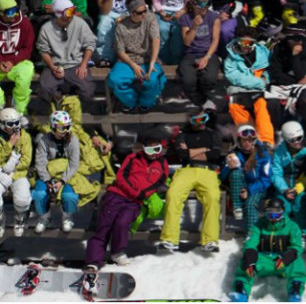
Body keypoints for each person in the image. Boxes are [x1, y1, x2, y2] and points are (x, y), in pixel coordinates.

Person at [84, 132, 169, 270]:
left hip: (135, 202)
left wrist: (144, 194)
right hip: (117, 195)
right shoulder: (133, 158)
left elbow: (159, 182)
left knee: (122, 223)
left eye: (157, 149)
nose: (153, 153)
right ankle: (93, 261)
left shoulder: (162, 163)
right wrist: (134, 191)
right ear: (143, 148)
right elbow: (121, 176)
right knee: (104, 226)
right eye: (149, 150)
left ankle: (117, 252)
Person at [158, 109, 222, 252]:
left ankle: (209, 239)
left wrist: (191, 152)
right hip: (187, 169)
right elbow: (181, 154)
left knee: (212, 198)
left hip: (207, 170)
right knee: (173, 195)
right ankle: (169, 238)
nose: (199, 124)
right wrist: (204, 149)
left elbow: (214, 155)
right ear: (190, 120)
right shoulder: (183, 135)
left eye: (202, 119)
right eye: (195, 120)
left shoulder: (213, 134)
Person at [229, 198, 306, 303]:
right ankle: (241, 291)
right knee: (246, 260)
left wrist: (286, 259)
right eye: (270, 214)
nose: (273, 218)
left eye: (276, 214)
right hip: (263, 260)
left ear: (283, 213)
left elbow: (297, 246)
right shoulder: (258, 225)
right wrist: (250, 260)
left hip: (282, 263)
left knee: (297, 261)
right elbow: (250, 243)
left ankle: (295, 291)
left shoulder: (292, 226)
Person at [107, 0, 165, 114]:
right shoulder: (121, 26)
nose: (144, 14)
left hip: (148, 58)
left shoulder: (150, 18)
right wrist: (133, 65)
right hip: (128, 60)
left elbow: (156, 40)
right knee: (115, 79)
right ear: (131, 13)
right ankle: (130, 102)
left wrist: (152, 64)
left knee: (153, 80)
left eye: (145, 10)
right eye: (140, 12)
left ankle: (146, 104)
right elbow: (120, 50)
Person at [36, 0, 97, 103]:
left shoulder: (80, 23)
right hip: (55, 65)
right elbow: (43, 50)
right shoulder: (46, 28)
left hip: (76, 64)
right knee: (45, 89)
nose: (72, 15)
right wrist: (53, 67)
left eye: (73, 10)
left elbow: (90, 44)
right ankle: (55, 109)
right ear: (59, 14)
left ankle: (75, 108)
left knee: (87, 90)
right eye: (69, 12)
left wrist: (83, 65)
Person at [0, 108, 33, 238]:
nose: (15, 127)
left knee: (23, 196)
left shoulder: (25, 136)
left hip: (18, 173)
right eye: (10, 124)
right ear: (2, 124)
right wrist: (10, 144)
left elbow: (26, 160)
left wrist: (9, 171)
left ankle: (20, 217)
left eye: (17, 122)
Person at [266, 26, 306, 139]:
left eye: (300, 38)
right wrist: (294, 80)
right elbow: (275, 71)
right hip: (283, 84)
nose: (299, 42)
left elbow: (301, 73)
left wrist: (295, 55)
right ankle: (276, 136)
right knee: (271, 103)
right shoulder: (279, 47)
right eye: (295, 39)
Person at [224, 26, 275, 146]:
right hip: (240, 91)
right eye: (242, 42)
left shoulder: (264, 55)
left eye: (249, 43)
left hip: (259, 92)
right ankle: (248, 137)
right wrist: (259, 82)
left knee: (261, 106)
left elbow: (270, 71)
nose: (245, 46)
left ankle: (266, 141)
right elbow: (234, 77)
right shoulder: (231, 58)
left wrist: (266, 78)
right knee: (234, 106)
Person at [32, 110, 81, 233]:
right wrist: (47, 179)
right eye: (60, 128)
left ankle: (67, 216)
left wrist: (62, 180)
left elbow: (74, 163)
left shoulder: (73, 140)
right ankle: (44, 216)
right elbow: (40, 161)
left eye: (67, 127)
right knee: (39, 194)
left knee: (69, 196)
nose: (64, 131)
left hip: (67, 175)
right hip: (48, 174)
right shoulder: (44, 140)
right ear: (53, 127)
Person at [219, 124, 272, 232]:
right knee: (235, 173)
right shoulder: (234, 154)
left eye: (251, 140)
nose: (248, 143)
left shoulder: (263, 154)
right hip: (240, 186)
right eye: (245, 140)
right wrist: (229, 167)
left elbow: (266, 179)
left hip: (258, 187)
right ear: (239, 141)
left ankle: (251, 236)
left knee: (250, 204)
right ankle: (237, 207)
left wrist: (249, 190)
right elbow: (222, 178)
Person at [95, 0, 143, 66]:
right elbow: (104, 11)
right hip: (110, 13)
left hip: (129, 12)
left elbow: (141, 3)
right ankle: (105, 57)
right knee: (104, 22)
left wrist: (128, 16)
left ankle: (131, 55)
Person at [271, 122, 306, 240]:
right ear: (285, 140)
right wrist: (284, 189)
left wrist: (297, 189)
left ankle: (303, 233)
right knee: (283, 206)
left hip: (301, 185)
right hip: (285, 185)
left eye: (299, 138)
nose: (297, 142)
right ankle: (282, 233)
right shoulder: (280, 152)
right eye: (292, 140)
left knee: (299, 204)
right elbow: (276, 173)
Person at [178, 0, 221, 108]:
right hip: (190, 53)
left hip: (208, 53)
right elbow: (187, 42)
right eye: (202, 4)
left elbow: (215, 40)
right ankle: (203, 102)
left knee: (210, 79)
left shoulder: (214, 17)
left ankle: (201, 99)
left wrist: (207, 57)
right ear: (194, 4)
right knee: (188, 80)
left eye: (208, 3)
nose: (205, 7)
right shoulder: (186, 18)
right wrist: (195, 26)